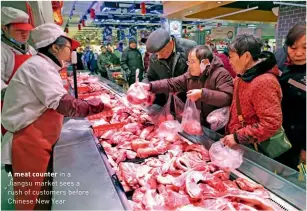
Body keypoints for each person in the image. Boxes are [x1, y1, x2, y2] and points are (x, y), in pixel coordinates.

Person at [1, 23, 112, 210]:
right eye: (69, 48)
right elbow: (64, 104)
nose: (71, 54)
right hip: (27, 143)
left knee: (43, 198)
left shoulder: (44, 65)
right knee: (35, 203)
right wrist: (98, 104)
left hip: (36, 139)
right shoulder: (39, 67)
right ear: (55, 47)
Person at [140, 45, 233, 127]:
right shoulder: (191, 75)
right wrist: (150, 86)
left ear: (204, 63)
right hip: (199, 125)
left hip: (218, 127)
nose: (190, 66)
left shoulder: (221, 74)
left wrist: (202, 94)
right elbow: (171, 83)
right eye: (188, 62)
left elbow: (227, 98)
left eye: (193, 62)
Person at [222, 34, 283, 149]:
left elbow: (271, 123)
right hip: (239, 144)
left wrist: (237, 137)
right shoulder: (242, 76)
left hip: (254, 148)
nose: (229, 62)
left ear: (246, 56)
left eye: (231, 57)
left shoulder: (264, 82)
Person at [274, 23, 306, 169]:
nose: (298, 53)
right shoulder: (279, 62)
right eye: (293, 48)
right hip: (279, 135)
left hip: (301, 137)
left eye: (305, 48)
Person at [1, 7, 36, 135]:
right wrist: (15, 94)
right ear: (4, 28)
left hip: (32, 105)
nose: (25, 34)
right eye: (19, 30)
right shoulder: (2, 50)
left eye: (26, 30)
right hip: (12, 109)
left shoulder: (30, 49)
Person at [143, 28, 197, 106]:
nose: (159, 57)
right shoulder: (154, 57)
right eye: (156, 54)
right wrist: (143, 87)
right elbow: (150, 76)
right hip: (168, 102)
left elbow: (195, 76)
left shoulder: (190, 48)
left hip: (190, 101)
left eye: (161, 52)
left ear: (171, 43)